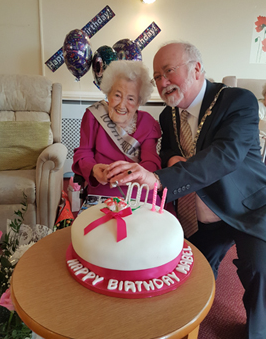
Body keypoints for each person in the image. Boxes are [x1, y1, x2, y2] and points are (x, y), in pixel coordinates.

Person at [106, 42, 266, 339]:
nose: (163, 82)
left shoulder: (238, 101)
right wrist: (170, 158)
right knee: (186, 273)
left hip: (249, 206)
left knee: (259, 271)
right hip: (205, 211)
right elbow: (168, 146)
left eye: (169, 71)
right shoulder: (168, 115)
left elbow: (226, 155)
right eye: (157, 77)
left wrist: (158, 178)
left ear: (196, 68)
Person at [72, 60, 161, 205]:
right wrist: (94, 170)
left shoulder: (148, 123)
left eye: (130, 99)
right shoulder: (93, 116)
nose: (121, 105)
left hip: (138, 190)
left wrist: (132, 174)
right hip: (103, 189)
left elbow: (151, 162)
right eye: (117, 95)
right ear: (108, 94)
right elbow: (83, 153)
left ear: (139, 102)